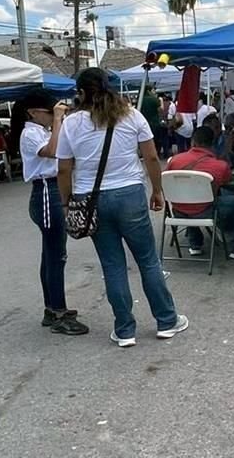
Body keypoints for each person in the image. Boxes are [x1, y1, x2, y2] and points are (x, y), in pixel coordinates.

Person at [57, 68, 186, 347]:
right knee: (148, 260)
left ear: (80, 93)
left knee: (113, 266)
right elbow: (151, 157)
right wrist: (157, 191)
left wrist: (66, 203)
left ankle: (125, 330)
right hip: (129, 194)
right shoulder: (131, 115)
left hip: (90, 200)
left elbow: (64, 170)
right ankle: (166, 321)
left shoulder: (70, 123)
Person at [12, 88, 88, 336]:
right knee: (56, 255)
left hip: (52, 189)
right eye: (48, 113)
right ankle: (58, 311)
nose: (53, 117)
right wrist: (57, 120)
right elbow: (54, 151)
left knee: (51, 254)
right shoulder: (29, 134)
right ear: (33, 113)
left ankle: (52, 307)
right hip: (45, 191)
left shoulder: (40, 130)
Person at [165, 126, 234, 259]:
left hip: (178, 210)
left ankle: (195, 244)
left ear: (193, 141)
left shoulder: (175, 161)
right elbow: (229, 184)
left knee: (188, 196)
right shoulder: (220, 165)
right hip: (206, 211)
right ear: (212, 144)